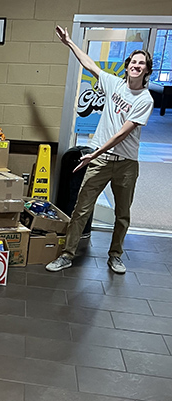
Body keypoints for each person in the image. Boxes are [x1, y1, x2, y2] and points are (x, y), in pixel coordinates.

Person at [46, 26, 154, 274]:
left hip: (126, 164)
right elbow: (90, 65)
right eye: (133, 62)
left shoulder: (145, 100)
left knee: (122, 214)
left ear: (146, 70)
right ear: (127, 66)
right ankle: (67, 254)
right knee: (81, 209)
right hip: (101, 161)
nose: (136, 66)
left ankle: (115, 255)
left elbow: (122, 133)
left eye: (141, 64)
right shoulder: (113, 83)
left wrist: (93, 152)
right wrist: (70, 43)